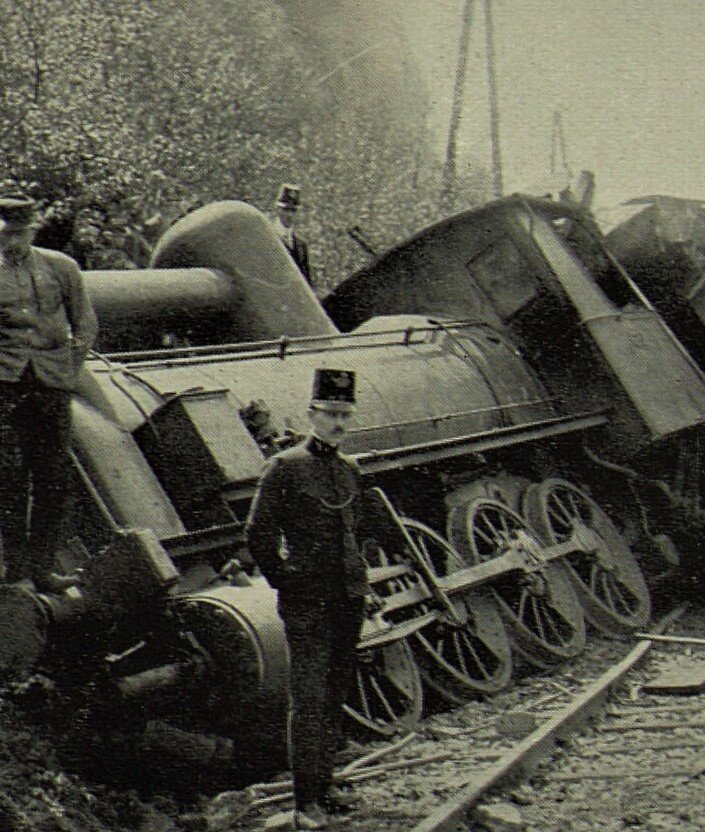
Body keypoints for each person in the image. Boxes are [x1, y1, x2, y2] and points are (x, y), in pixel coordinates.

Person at [245, 368, 376, 831]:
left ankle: (326, 784)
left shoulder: (349, 469)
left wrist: (362, 580)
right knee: (309, 698)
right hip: (308, 604)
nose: (339, 423)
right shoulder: (285, 467)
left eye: (346, 415)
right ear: (311, 415)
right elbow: (258, 535)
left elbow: (357, 531)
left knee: (336, 694)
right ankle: (306, 804)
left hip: (347, 598)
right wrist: (287, 582)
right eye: (330, 414)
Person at [0, 196, 98, 590]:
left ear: (32, 232)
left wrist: (69, 367)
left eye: (19, 234)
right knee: (11, 481)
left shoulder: (62, 268)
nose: (11, 243)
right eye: (5, 235)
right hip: (6, 390)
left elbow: (85, 324)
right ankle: (17, 573)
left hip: (52, 388)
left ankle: (43, 569)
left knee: (54, 479)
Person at [272, 183, 312, 286]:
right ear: (277, 209)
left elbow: (307, 284)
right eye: (286, 209)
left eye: (293, 210)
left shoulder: (301, 246)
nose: (289, 215)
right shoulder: (268, 238)